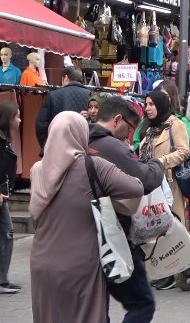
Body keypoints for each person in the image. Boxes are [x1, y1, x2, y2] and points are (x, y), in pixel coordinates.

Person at [29, 112, 143, 323]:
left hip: (41, 263)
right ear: (81, 135)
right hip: (81, 264)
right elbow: (136, 187)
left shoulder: (37, 170)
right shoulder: (94, 166)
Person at [89, 98, 164, 322]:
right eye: (129, 129)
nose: (129, 136)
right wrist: (156, 164)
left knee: (98, 306)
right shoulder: (111, 146)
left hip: (82, 235)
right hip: (112, 234)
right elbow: (143, 180)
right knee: (142, 303)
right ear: (117, 119)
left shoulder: (79, 139)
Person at [136, 90, 190, 227]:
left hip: (169, 185)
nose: (147, 108)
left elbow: (184, 151)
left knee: (173, 227)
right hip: (150, 185)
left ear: (160, 105)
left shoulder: (176, 124)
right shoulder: (150, 128)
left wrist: (161, 161)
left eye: (151, 104)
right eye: (146, 104)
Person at [35, 66, 90, 150]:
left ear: (66, 78)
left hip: (58, 147)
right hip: (83, 147)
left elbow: (41, 125)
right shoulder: (91, 96)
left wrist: (46, 146)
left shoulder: (53, 95)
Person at [0, 102, 20, 294]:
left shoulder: (5, 139)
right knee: (7, 234)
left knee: (7, 234)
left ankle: (3, 280)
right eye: (17, 117)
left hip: (2, 194)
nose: (20, 120)